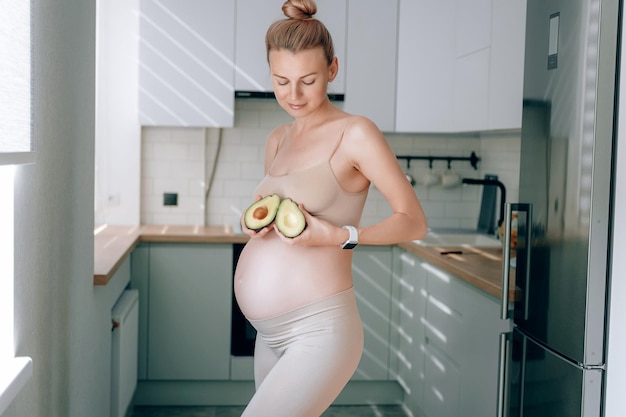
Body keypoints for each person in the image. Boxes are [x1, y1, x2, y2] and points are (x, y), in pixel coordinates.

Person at [234, 1, 427, 415]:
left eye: (308, 80)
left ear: (332, 70)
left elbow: (414, 222)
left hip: (320, 330)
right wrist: (260, 225)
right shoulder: (277, 139)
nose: (294, 95)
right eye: (281, 81)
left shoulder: (355, 133)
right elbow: (287, 223)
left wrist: (343, 236)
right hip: (269, 334)